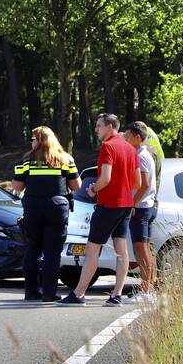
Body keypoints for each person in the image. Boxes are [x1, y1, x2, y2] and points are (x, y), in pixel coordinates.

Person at [58, 113, 138, 307]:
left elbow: (105, 178)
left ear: (110, 127)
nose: (96, 129)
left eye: (98, 126)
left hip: (109, 205)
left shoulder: (108, 146)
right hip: (126, 205)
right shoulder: (130, 147)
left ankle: (79, 294)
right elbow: (138, 181)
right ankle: (116, 295)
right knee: (121, 250)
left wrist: (93, 189)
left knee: (92, 249)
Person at [12, 126, 80, 302]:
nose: (31, 142)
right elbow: (76, 185)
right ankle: (50, 293)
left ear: (41, 141)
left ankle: (31, 291)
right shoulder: (65, 159)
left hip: (33, 207)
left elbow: (17, 187)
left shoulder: (26, 160)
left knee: (32, 249)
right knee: (52, 251)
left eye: (33, 139)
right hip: (57, 208)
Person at [122, 122, 156, 303]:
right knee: (145, 249)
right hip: (146, 207)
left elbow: (143, 184)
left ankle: (145, 291)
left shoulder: (141, 156)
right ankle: (148, 289)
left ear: (137, 136)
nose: (125, 139)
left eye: (127, 136)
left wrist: (132, 204)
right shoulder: (142, 154)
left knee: (141, 249)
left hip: (141, 208)